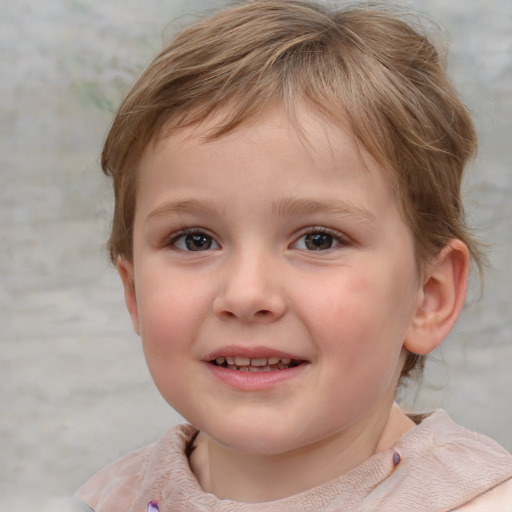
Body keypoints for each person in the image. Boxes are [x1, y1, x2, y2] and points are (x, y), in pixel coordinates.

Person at [76, 0, 512, 510]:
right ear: (133, 292)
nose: (245, 294)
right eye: (195, 240)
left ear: (428, 297)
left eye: (318, 240)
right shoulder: (105, 501)